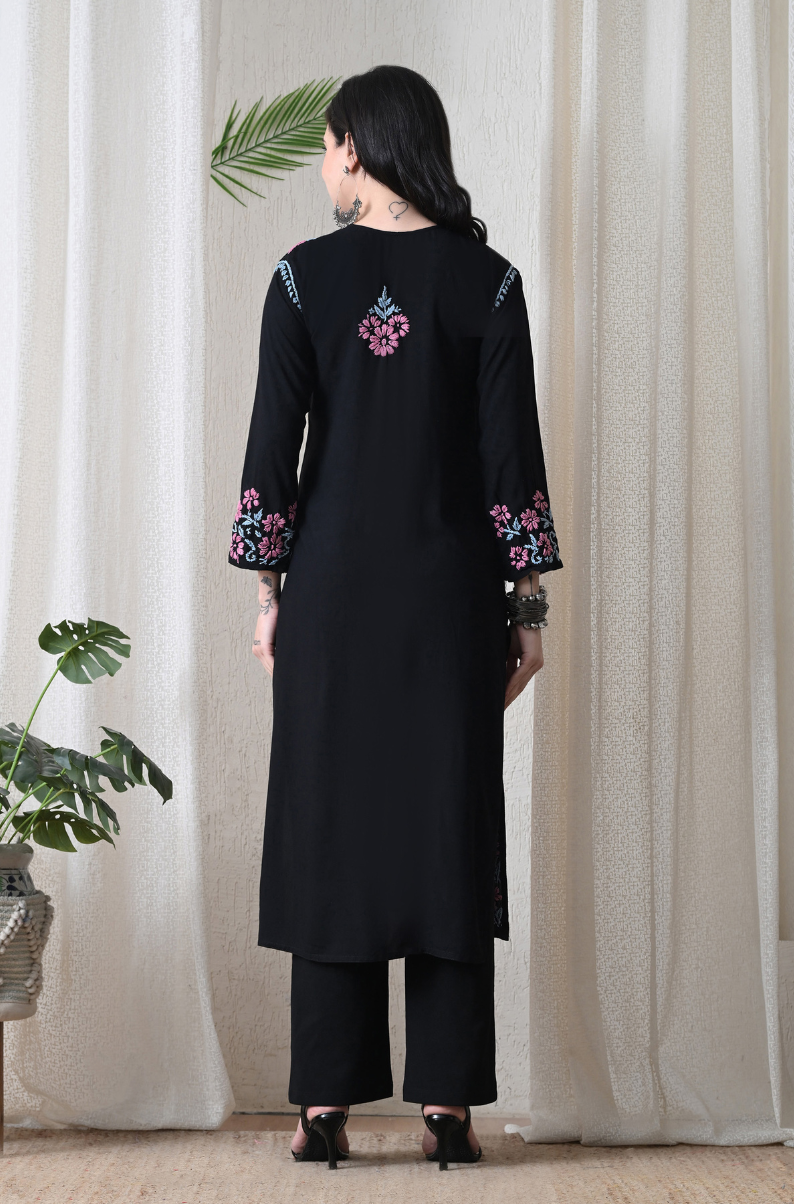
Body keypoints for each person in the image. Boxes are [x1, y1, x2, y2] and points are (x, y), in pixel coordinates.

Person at [228, 64, 562, 1171]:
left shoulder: (300, 278)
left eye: (326, 148)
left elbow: (272, 454)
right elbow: (510, 459)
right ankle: (448, 1110)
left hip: (330, 600)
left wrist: (269, 599)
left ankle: (323, 1107)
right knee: (444, 833)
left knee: (334, 833)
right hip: (448, 600)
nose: (324, 169)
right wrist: (526, 609)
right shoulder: (490, 284)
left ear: (356, 149)